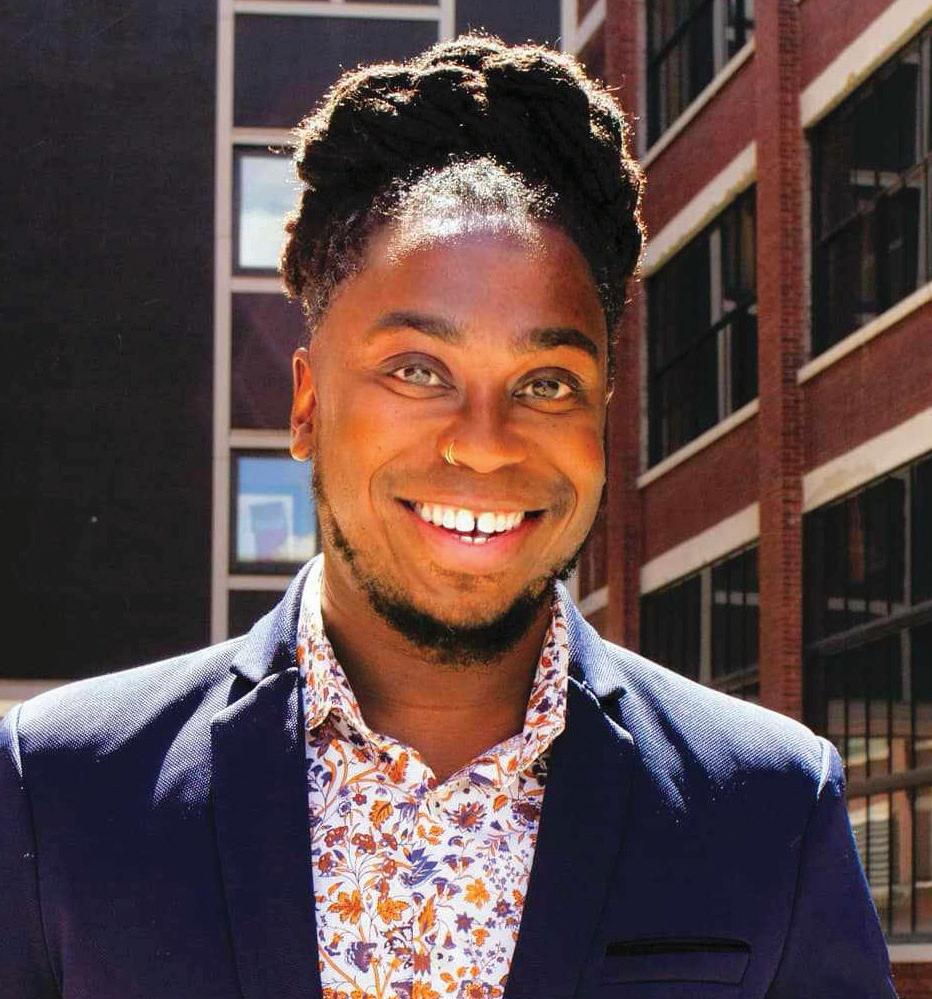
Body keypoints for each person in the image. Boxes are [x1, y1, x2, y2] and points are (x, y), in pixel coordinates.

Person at [0, 33, 896, 999]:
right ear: (306, 406)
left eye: (546, 382)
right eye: (418, 370)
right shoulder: (60, 790)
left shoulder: (771, 808)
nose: (484, 443)